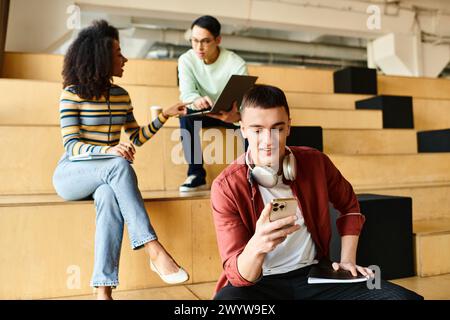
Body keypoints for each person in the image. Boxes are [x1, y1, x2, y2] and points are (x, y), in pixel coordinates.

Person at [211, 84, 423, 300]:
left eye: (278, 128)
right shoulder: (226, 187)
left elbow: (349, 204)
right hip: (259, 283)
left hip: (314, 276)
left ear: (289, 127)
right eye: (257, 130)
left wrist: (347, 260)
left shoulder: (316, 162)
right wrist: (258, 245)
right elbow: (238, 276)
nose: (268, 141)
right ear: (243, 129)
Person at [53, 20, 189, 300]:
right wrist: (109, 151)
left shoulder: (121, 96)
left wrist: (164, 115)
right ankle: (153, 248)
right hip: (72, 175)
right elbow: (72, 146)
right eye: (118, 53)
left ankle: (103, 290)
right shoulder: (71, 95)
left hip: (106, 177)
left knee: (108, 197)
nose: (124, 59)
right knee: (118, 164)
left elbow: (136, 137)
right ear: (100, 57)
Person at [177, 15, 247, 192]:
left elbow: (245, 102)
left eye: (205, 41)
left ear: (218, 40)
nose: (198, 47)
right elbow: (187, 93)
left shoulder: (236, 63)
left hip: (232, 114)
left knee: (253, 123)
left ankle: (250, 173)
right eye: (194, 41)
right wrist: (196, 100)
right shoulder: (186, 60)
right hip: (204, 112)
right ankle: (196, 175)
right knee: (185, 116)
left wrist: (237, 116)